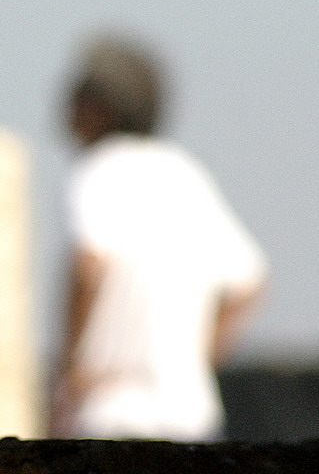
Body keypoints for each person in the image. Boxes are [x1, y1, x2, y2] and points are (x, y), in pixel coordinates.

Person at [50, 38, 267, 441]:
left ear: (101, 106)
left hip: (111, 413)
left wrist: (72, 370)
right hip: (188, 414)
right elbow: (249, 282)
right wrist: (194, 365)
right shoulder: (185, 174)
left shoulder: (97, 170)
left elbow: (89, 267)